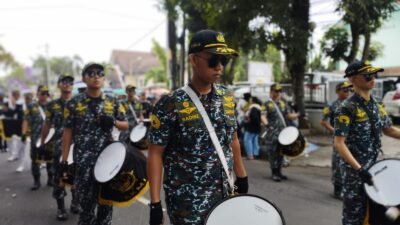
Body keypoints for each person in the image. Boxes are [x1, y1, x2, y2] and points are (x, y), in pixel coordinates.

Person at [147, 29, 248, 225]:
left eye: (223, 61)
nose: (219, 67)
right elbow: (155, 153)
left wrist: (241, 175)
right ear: (194, 60)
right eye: (213, 60)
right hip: (187, 205)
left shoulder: (227, 98)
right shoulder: (170, 103)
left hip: (225, 197)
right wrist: (155, 203)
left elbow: (232, 139)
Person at [61, 62, 128, 225]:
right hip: (84, 163)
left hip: (108, 161)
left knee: (106, 205)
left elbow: (126, 125)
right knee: (86, 207)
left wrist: (113, 121)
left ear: (104, 78)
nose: (96, 77)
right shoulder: (73, 104)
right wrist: (64, 160)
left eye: (100, 73)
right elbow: (68, 132)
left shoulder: (113, 102)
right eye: (91, 73)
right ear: (84, 78)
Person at [334, 60, 400, 225]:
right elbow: (339, 143)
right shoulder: (346, 107)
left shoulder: (377, 104)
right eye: (367, 75)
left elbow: (389, 129)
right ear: (352, 79)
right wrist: (359, 169)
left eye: (374, 75)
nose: (373, 78)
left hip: (374, 168)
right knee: (353, 215)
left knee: (371, 214)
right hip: (355, 172)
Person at [40, 74, 78, 220]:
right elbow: (47, 125)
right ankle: (61, 208)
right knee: (59, 178)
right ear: (59, 85)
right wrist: (42, 143)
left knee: (76, 177)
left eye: (70, 82)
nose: (67, 84)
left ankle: (75, 203)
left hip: (77, 148)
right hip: (59, 148)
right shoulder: (52, 105)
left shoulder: (78, 103)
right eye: (64, 81)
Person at [321, 81, 352, 199]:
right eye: (345, 90)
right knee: (338, 163)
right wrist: (336, 131)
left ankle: (347, 188)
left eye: (349, 90)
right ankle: (338, 189)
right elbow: (323, 122)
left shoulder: (351, 104)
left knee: (348, 163)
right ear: (338, 92)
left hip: (350, 140)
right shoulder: (332, 105)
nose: (347, 92)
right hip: (339, 140)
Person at [264, 83, 299, 182]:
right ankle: (274, 173)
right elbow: (263, 116)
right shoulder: (267, 104)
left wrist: (297, 115)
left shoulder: (283, 103)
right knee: (273, 153)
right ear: (271, 92)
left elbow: (288, 115)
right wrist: (267, 125)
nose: (278, 93)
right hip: (272, 133)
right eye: (276, 91)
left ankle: (279, 172)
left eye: (279, 91)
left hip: (282, 133)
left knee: (281, 153)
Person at [21, 85, 53, 190]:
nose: (45, 95)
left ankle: (50, 180)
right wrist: (24, 133)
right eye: (42, 93)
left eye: (46, 93)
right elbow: (26, 120)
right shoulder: (31, 106)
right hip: (36, 137)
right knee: (35, 160)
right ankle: (36, 182)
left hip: (50, 137)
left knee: (50, 160)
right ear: (37, 94)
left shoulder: (51, 105)